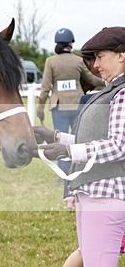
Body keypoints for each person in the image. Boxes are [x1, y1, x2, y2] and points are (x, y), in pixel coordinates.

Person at [36, 26, 125, 267]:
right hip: (94, 191)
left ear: (121, 54)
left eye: (99, 57)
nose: (94, 65)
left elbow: (119, 146)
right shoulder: (111, 93)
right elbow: (95, 139)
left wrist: (70, 151)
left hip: (109, 193)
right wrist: (55, 137)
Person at [38, 28, 106, 174]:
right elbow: (91, 79)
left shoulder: (51, 61)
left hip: (59, 106)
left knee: (59, 139)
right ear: (71, 43)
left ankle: (62, 174)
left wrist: (40, 106)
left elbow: (45, 87)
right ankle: (77, 171)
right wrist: (107, 82)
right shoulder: (78, 60)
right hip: (77, 104)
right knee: (78, 139)